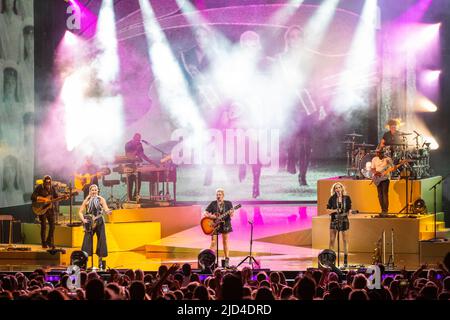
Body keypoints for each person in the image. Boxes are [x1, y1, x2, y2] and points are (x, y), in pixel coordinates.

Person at [279, 26, 318, 186]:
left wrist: (319, 105)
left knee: (306, 142)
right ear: (288, 40)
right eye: (292, 37)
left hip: (307, 101)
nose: (295, 40)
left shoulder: (309, 58)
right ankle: (290, 159)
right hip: (290, 102)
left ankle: (303, 175)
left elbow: (316, 82)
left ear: (302, 40)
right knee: (292, 136)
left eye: (298, 36)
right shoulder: (282, 58)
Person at [78, 184, 112, 270]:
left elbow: (106, 209)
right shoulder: (87, 200)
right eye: (92, 190)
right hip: (90, 222)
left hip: (99, 220)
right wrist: (83, 220)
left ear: (98, 191)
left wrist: (108, 211)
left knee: (101, 240)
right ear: (90, 191)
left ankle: (100, 262)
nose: (94, 191)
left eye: (95, 190)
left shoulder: (101, 199)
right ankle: (84, 261)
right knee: (87, 241)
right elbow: (80, 212)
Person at [31, 175, 67, 248]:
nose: (48, 183)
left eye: (49, 182)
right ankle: (43, 243)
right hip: (41, 208)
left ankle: (49, 241)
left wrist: (63, 197)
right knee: (43, 226)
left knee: (52, 226)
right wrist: (43, 199)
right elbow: (33, 197)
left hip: (50, 209)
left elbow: (56, 197)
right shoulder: (39, 187)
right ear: (44, 182)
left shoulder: (52, 188)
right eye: (46, 182)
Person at [203, 188, 234, 268]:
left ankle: (226, 261)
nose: (218, 196)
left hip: (225, 224)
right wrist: (211, 216)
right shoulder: (213, 204)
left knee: (225, 242)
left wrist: (231, 213)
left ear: (223, 195)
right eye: (217, 194)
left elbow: (232, 215)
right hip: (215, 225)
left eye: (219, 194)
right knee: (213, 242)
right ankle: (209, 261)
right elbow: (205, 212)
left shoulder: (228, 203)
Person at [124, 133, 157, 201]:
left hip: (137, 166)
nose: (138, 141)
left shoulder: (139, 145)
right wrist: (136, 149)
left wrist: (151, 162)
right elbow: (129, 156)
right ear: (133, 138)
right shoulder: (128, 144)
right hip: (129, 166)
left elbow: (142, 155)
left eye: (139, 140)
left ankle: (136, 197)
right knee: (130, 183)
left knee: (138, 182)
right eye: (137, 140)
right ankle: (129, 199)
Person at [326, 182, 352, 267]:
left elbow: (349, 210)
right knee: (332, 240)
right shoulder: (332, 198)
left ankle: (345, 260)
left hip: (344, 220)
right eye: (336, 188)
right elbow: (327, 210)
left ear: (342, 188)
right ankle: (331, 259)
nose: (338, 189)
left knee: (345, 240)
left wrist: (349, 212)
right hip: (334, 220)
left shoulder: (347, 198)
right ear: (334, 190)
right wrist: (335, 210)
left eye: (339, 187)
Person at [371, 148, 393, 216]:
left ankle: (385, 211)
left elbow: (393, 168)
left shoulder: (388, 159)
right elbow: (372, 168)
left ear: (383, 153)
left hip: (385, 179)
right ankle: (382, 210)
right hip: (377, 179)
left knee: (384, 194)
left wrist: (386, 171)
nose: (378, 154)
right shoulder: (374, 159)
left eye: (380, 153)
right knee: (380, 196)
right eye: (377, 152)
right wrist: (375, 172)